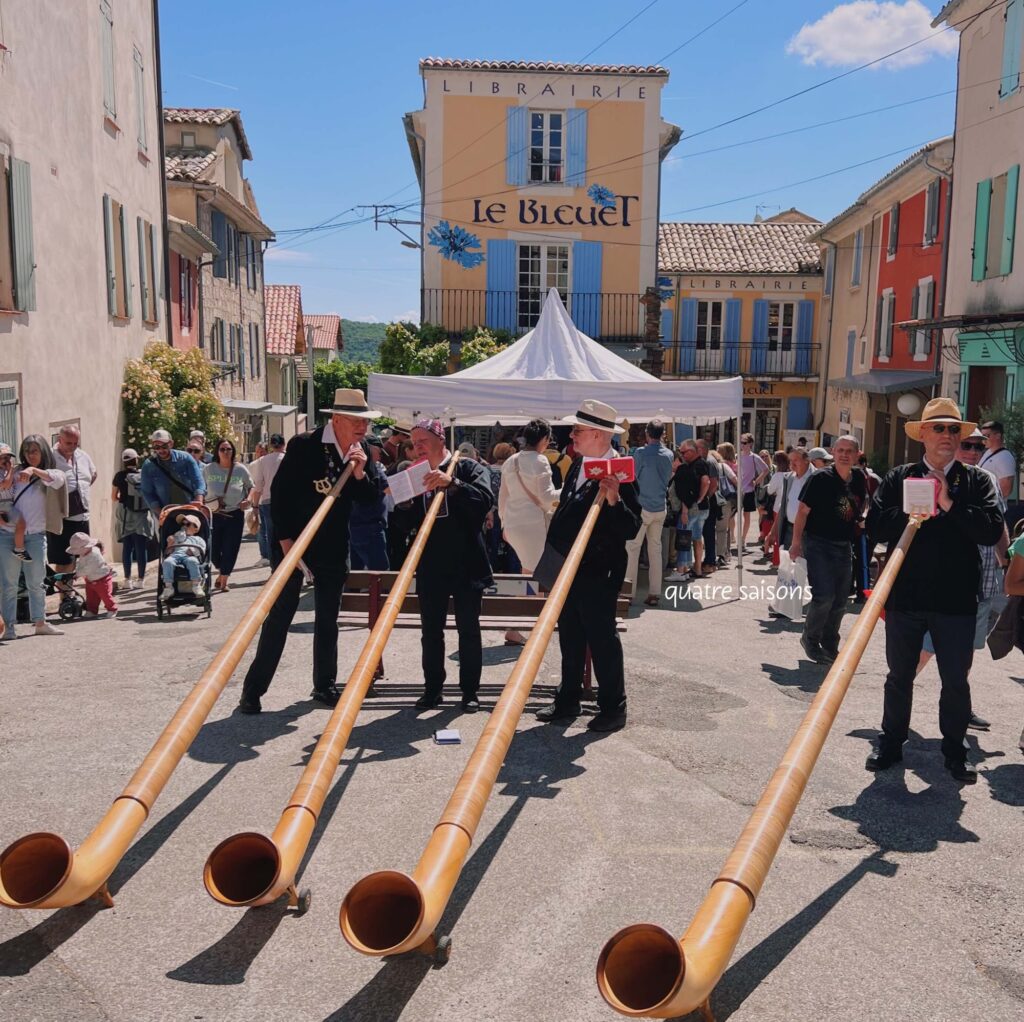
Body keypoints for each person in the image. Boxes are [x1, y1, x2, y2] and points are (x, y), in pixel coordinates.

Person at [865, 399, 1003, 783]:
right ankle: (891, 742)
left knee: (955, 680)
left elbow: (990, 531)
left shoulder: (976, 481)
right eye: (939, 428)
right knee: (899, 676)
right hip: (906, 597)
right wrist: (912, 513)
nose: (947, 436)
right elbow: (874, 527)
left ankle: (955, 751)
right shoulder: (899, 477)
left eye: (954, 430)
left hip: (956, 601)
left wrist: (948, 502)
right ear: (922, 434)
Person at [238, 388, 383, 714]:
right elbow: (280, 495)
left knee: (328, 620)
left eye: (365, 422)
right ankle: (253, 690)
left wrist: (359, 473)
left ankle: (324, 685)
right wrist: (287, 544)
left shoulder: (362, 451)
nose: (362, 428)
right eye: (356, 421)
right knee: (279, 617)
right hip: (294, 544)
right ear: (337, 419)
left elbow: (370, 498)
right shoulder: (305, 445)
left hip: (333, 547)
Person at [535, 399, 642, 733]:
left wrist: (613, 500)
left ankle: (613, 706)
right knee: (569, 633)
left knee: (601, 637)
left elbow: (631, 527)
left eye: (578, 430)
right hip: (569, 567)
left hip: (599, 569)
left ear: (598, 434)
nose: (572, 435)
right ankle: (568, 698)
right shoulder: (578, 464)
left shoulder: (622, 470)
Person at [390, 418, 495, 712]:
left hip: (466, 562)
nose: (417, 448)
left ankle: (470, 691)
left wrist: (455, 485)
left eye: (422, 441)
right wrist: (404, 505)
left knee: (468, 630)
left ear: (440, 440)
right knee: (431, 631)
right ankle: (433, 689)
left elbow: (484, 501)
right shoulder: (415, 473)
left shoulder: (468, 468)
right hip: (431, 564)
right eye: (414, 443)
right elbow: (401, 525)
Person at [914, 426, 1007, 732]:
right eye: (967, 445)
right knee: (928, 648)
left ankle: (959, 706)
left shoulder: (985, 480)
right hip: (943, 584)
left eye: (978, 447)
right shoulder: (927, 475)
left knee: (965, 651)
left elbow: (998, 524)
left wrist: (1004, 561)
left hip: (982, 583)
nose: (972, 452)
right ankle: (900, 694)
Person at [789, 435, 865, 665]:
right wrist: (796, 542)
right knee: (824, 596)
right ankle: (810, 639)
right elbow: (802, 511)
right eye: (840, 450)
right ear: (833, 452)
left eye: (848, 451)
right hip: (818, 542)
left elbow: (860, 504)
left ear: (856, 454)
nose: (843, 454)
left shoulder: (859, 478)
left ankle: (830, 643)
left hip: (843, 544)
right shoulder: (821, 478)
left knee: (841, 598)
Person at [0, 435, 67, 638]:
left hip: (36, 535)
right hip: (6, 535)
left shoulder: (49, 473)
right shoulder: (14, 472)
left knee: (36, 582)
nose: (31, 455)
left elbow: (58, 480)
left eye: (35, 451)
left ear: (44, 452)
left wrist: (33, 471)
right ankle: (9, 628)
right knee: (8, 584)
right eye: (28, 451)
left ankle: (40, 623)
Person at [498, 422, 558, 640]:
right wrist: (568, 493)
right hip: (534, 526)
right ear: (544, 440)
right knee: (538, 580)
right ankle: (525, 626)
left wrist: (504, 524)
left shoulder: (510, 461)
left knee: (529, 576)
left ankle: (518, 626)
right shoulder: (540, 461)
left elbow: (502, 498)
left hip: (514, 525)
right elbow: (547, 498)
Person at [624, 419, 674, 607]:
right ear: (662, 434)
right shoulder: (669, 454)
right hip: (660, 506)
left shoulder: (641, 453)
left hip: (642, 506)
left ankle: (628, 593)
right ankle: (654, 592)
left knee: (633, 549)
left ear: (647, 433)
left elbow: (632, 476)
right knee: (655, 551)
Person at [203, 438, 253, 592]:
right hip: (215, 514)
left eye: (228, 449)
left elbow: (251, 487)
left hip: (234, 514)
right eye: (222, 449)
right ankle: (221, 571)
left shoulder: (240, 469)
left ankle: (224, 578)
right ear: (217, 452)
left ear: (233, 452)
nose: (225, 452)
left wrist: (248, 500)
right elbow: (200, 488)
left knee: (231, 547)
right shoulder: (208, 469)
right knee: (214, 549)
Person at [48, 425, 98, 573]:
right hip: (62, 517)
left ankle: (69, 593)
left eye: (76, 443)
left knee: (80, 557)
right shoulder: (50, 457)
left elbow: (93, 474)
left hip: (82, 514)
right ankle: (65, 595)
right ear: (59, 440)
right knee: (63, 559)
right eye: (69, 443)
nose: (73, 447)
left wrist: (80, 491)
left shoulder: (83, 456)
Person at [112, 448, 156, 590]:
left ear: (123, 461)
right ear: (136, 460)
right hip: (142, 515)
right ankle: (141, 579)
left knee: (127, 547)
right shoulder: (143, 475)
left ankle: (127, 580)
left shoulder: (119, 476)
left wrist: (124, 498)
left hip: (125, 514)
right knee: (141, 547)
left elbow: (114, 497)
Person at [667, 440, 710, 581]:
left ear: (692, 451)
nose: (682, 455)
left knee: (683, 537)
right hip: (701, 508)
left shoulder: (696, 465)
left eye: (684, 452)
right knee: (696, 538)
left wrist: (698, 499)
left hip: (693, 508)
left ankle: (681, 570)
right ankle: (695, 568)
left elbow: (706, 482)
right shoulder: (699, 463)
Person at [348, 435, 390, 570]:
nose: (380, 457)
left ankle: (352, 591)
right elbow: (389, 489)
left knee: (353, 573)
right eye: (378, 452)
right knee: (380, 574)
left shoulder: (349, 469)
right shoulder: (375, 469)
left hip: (353, 526)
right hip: (371, 527)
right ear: (369, 449)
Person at [141, 429, 206, 511]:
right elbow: (147, 492)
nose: (161, 450)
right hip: (165, 511)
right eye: (157, 447)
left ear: (171, 444)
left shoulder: (185, 459)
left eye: (164, 446)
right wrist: (159, 512)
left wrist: (198, 501)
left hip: (189, 508)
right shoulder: (148, 466)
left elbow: (198, 481)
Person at [765, 446, 812, 553]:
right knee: (788, 567)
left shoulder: (816, 477)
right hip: (789, 530)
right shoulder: (789, 478)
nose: (792, 464)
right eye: (790, 460)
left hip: (808, 533)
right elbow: (783, 506)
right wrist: (772, 533)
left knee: (806, 568)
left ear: (806, 460)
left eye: (796, 460)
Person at [249, 434, 286, 568]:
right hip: (286, 501)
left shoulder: (263, 461)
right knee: (288, 533)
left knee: (271, 535)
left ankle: (274, 566)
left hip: (267, 501)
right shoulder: (288, 458)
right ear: (284, 444)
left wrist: (255, 505)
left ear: (270, 445)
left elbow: (258, 485)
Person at [67, 531, 118, 617]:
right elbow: (81, 564)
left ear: (84, 547)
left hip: (102, 579)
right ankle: (92, 611)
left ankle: (112, 609)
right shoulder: (84, 553)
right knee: (91, 597)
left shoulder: (94, 555)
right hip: (90, 580)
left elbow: (88, 569)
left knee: (105, 596)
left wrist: (78, 574)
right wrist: (77, 571)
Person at [163, 513, 207, 598]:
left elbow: (202, 550)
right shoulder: (177, 536)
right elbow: (168, 551)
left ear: (195, 529)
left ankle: (196, 585)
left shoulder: (198, 539)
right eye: (183, 524)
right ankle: (168, 587)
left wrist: (193, 551)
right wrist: (170, 543)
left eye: (187, 524)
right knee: (167, 562)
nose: (184, 526)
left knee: (193, 561)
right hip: (175, 555)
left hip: (189, 556)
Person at [738, 434, 768, 551]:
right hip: (738, 490)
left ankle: (743, 540)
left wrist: (756, 481)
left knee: (746, 516)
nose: (742, 445)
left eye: (744, 443)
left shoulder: (754, 457)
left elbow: (766, 469)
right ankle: (733, 538)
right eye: (741, 442)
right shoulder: (737, 456)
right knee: (732, 516)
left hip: (748, 491)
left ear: (750, 444)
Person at [696, 438, 720, 572]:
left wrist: (705, 498)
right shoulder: (707, 461)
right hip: (708, 500)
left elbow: (713, 484)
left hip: (710, 501)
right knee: (707, 532)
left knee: (708, 532)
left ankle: (710, 561)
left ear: (703, 449)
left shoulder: (709, 462)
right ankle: (709, 560)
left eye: (697, 448)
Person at [714, 443, 739, 566]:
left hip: (712, 500)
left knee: (712, 528)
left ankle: (715, 553)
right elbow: (736, 481)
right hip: (725, 500)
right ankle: (722, 554)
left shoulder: (710, 465)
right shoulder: (724, 466)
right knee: (722, 529)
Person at [979, 420, 1016, 500]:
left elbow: (1006, 490)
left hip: (991, 509)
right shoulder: (988, 452)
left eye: (987, 436)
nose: (984, 439)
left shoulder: (1005, 457)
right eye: (982, 436)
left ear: (998, 435)